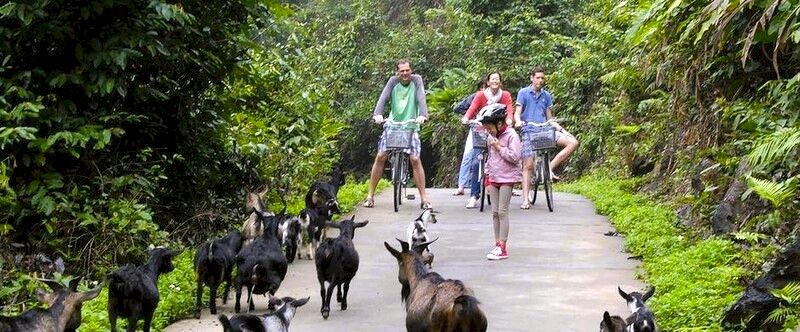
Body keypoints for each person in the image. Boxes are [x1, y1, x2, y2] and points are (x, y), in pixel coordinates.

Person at [363, 59, 432, 209]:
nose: (405, 73)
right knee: (381, 156)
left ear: (411, 70)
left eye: (407, 70)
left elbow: (421, 99)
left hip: (411, 125)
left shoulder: (417, 80)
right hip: (393, 125)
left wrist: (423, 115)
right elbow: (383, 98)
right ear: (397, 72)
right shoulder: (393, 82)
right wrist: (377, 114)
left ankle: (424, 198)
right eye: (402, 71)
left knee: (414, 158)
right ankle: (370, 196)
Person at [514, 67, 578, 209]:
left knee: (572, 142)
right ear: (532, 78)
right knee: (528, 165)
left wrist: (564, 131)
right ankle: (525, 199)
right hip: (529, 131)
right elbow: (517, 113)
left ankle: (548, 167)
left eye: (542, 78)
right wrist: (518, 122)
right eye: (538, 78)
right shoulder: (523, 93)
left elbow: (550, 119)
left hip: (545, 130)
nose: (540, 80)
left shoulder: (546, 95)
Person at [460, 72, 514, 209]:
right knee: (476, 161)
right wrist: (466, 118)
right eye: (492, 79)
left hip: (498, 132)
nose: (495, 81)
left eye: (497, 79)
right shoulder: (481, 95)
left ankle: (500, 187)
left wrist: (509, 119)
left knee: (501, 158)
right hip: (482, 131)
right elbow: (472, 109)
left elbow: (509, 109)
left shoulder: (505, 95)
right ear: (488, 82)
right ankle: (474, 195)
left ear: (500, 82)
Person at [477, 103, 521, 260]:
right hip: (494, 177)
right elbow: (489, 159)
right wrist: (487, 178)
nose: (488, 131)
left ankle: (503, 247)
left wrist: (499, 147)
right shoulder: (491, 137)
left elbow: (515, 157)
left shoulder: (512, 136)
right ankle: (497, 244)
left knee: (502, 212)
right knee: (494, 213)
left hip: (507, 178)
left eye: (489, 127)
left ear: (500, 123)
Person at [453, 77, 487, 197]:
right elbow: (457, 108)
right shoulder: (474, 97)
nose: (484, 91)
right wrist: (469, 116)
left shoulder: (494, 98)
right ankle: (461, 185)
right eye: (482, 88)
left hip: (490, 130)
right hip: (476, 130)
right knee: (468, 155)